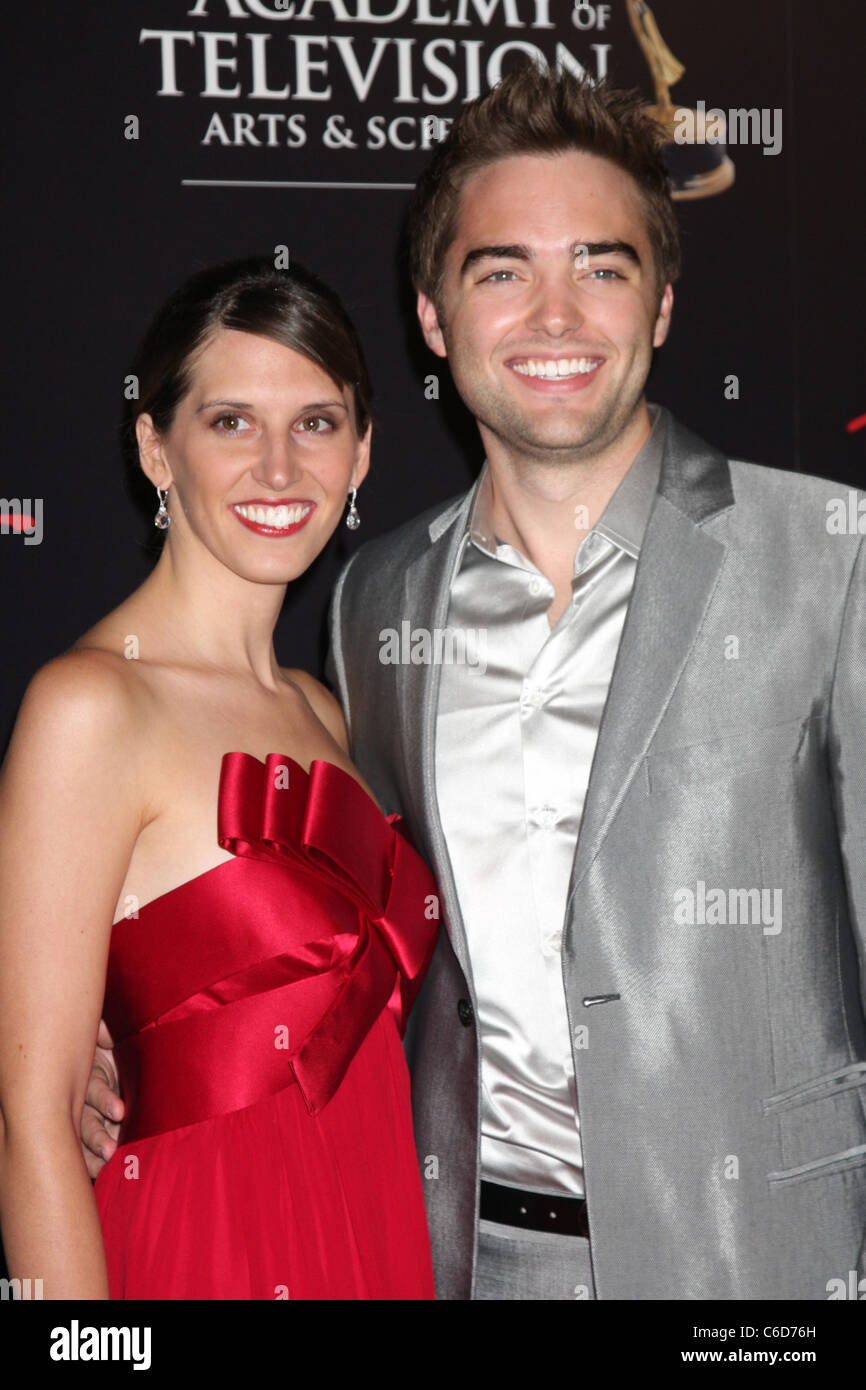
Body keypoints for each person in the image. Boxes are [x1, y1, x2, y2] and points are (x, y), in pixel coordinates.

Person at [84, 65, 866, 1301]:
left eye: (600, 269)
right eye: (502, 270)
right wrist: (113, 1034)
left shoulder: (827, 555)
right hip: (449, 1260)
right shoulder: (372, 604)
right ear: (435, 318)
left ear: (660, 305)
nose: (553, 317)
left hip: (758, 1271)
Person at [0, 255, 438, 1300]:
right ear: (156, 446)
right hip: (202, 1253)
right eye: (230, 421)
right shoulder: (91, 706)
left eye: (317, 423)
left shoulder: (324, 709)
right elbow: (34, 1127)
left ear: (363, 450)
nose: (279, 468)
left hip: (372, 1239)